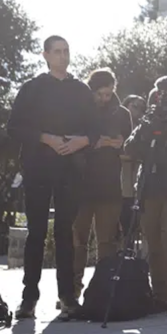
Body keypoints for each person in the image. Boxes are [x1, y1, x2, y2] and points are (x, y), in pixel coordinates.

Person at [7, 35, 99, 321]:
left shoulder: (81, 90)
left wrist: (81, 141)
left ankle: (68, 297)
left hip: (71, 169)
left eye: (66, 51)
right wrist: (44, 137)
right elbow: (13, 128)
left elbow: (95, 130)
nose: (62, 56)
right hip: (37, 168)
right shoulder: (32, 89)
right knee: (35, 233)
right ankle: (28, 299)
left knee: (64, 233)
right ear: (45, 55)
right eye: (57, 51)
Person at [123, 75, 167, 315]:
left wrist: (159, 135)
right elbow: (130, 150)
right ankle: (160, 295)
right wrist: (146, 127)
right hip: (149, 190)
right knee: (153, 243)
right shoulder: (146, 123)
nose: (163, 110)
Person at [70, 68, 132, 301]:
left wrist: (114, 143)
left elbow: (127, 144)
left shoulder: (122, 113)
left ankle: (104, 291)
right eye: (100, 94)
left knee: (108, 242)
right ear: (92, 90)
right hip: (80, 185)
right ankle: (72, 292)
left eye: (108, 94)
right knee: (78, 242)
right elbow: (76, 142)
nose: (104, 99)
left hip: (109, 186)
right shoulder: (80, 110)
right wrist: (103, 141)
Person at [119, 95, 146, 237]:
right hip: (119, 181)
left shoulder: (143, 127)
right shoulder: (118, 123)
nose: (137, 111)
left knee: (134, 223)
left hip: (135, 180)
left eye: (141, 108)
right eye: (134, 106)